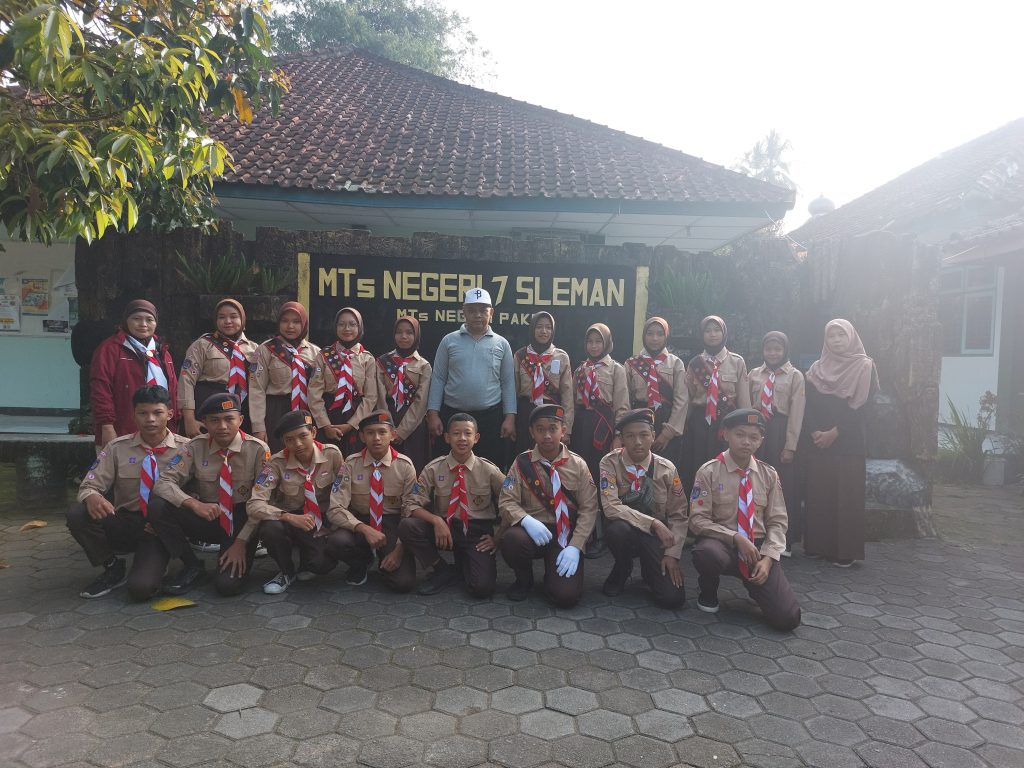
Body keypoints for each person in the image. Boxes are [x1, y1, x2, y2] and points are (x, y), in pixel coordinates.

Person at [66, 385, 188, 600]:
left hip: (161, 526)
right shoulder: (117, 448)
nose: (150, 419)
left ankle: (157, 561)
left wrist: (171, 520)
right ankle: (112, 566)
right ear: (133, 415)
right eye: (143, 413)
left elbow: (197, 493)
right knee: (78, 513)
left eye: (157, 412)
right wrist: (92, 496)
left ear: (169, 414)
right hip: (126, 521)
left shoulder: (187, 449)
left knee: (141, 588)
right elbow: (89, 485)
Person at [688, 408, 801, 631]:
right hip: (723, 544)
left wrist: (769, 558)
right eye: (740, 434)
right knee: (706, 553)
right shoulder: (709, 471)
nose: (746, 442)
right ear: (725, 434)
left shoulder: (769, 474)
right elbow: (697, 520)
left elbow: (778, 521)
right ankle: (708, 589)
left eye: (753, 437)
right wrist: (736, 538)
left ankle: (757, 588)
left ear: (761, 441)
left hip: (757, 551)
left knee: (788, 618)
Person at [148, 393, 270, 596]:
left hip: (240, 520)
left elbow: (262, 501)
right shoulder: (194, 447)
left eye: (229, 419)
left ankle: (239, 552)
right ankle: (192, 565)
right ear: (204, 422)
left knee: (227, 586)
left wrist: (241, 543)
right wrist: (193, 504)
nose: (222, 426)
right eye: (214, 420)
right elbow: (163, 483)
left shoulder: (258, 449)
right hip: (207, 514)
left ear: (240, 420)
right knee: (158, 506)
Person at [498, 404, 600, 607]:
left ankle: (552, 577)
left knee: (566, 596)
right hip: (532, 532)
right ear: (531, 432)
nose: (546, 435)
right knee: (512, 539)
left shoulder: (578, 465)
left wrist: (576, 546)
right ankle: (524, 579)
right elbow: (506, 500)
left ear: (563, 431)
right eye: (540, 429)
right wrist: (525, 520)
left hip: (565, 534)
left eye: (553, 429)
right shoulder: (521, 463)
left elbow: (589, 509)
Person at [799, 319, 878, 567]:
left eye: (841, 335)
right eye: (831, 336)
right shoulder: (816, 369)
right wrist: (815, 431)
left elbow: (863, 408)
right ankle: (817, 546)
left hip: (848, 442)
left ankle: (844, 551)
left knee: (846, 497)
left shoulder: (864, 366)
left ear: (851, 337)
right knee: (819, 494)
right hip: (818, 442)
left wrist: (835, 432)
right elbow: (807, 404)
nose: (836, 340)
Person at [399, 413, 505, 597]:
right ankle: (442, 569)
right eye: (456, 433)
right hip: (444, 530)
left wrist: (498, 537)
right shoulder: (433, 468)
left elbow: (511, 501)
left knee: (482, 588)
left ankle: (463, 566)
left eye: (467, 433)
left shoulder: (489, 470)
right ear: (447, 437)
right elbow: (410, 504)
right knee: (408, 526)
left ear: (476, 437)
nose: (462, 438)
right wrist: (436, 521)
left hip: (476, 532)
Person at [247, 410, 344, 594]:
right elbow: (254, 504)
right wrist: (288, 517)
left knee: (321, 565)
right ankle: (286, 572)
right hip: (291, 519)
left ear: (313, 432)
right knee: (270, 529)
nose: (297, 444)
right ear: (284, 442)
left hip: (321, 519)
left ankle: (308, 559)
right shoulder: (276, 463)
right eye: (289, 439)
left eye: (303, 436)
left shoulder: (332, 454)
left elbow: (344, 493)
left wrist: (335, 526)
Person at [599, 409, 688, 608]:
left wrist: (672, 554)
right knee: (617, 530)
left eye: (644, 435)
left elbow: (679, 515)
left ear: (653, 436)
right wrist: (654, 523)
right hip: (627, 530)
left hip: (654, 537)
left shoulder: (667, 469)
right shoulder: (609, 462)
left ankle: (650, 570)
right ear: (622, 439)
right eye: (630, 436)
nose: (637, 442)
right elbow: (611, 507)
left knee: (672, 598)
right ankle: (623, 568)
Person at [325, 411, 417, 592]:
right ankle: (361, 562)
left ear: (393, 435)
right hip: (360, 521)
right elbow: (335, 508)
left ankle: (385, 562)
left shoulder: (405, 466)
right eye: (370, 433)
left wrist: (399, 551)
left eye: (382, 432)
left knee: (403, 583)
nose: (376, 438)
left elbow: (411, 511)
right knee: (337, 542)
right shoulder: (350, 464)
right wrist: (364, 528)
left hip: (391, 524)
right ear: (362, 437)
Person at [426, 288, 517, 468]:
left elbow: (507, 382)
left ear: (491, 313)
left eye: (483, 310)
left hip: (490, 418)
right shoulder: (449, 341)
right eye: (472, 310)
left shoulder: (502, 344)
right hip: (453, 415)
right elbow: (438, 378)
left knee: (489, 467)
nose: (478, 315)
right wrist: (433, 414)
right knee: (451, 467)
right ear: (464, 312)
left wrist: (510, 417)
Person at [90, 299, 178, 448]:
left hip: (162, 433)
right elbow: (101, 389)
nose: (143, 324)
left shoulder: (161, 351)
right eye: (136, 319)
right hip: (122, 430)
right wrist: (107, 425)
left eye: (149, 319)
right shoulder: (110, 349)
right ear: (126, 321)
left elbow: (174, 390)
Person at [748, 331, 805, 555]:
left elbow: (797, 413)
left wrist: (790, 446)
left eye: (777, 349)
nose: (773, 353)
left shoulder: (795, 376)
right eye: (768, 349)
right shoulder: (754, 374)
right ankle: (756, 534)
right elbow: (747, 407)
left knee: (783, 486)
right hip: (758, 431)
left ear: (785, 350)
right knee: (756, 482)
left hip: (781, 432)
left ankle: (784, 540)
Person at [682, 315, 750, 493]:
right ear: (702, 334)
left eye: (717, 330)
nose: (712, 334)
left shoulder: (737, 362)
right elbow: (688, 398)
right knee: (698, 466)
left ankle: (725, 503)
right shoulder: (695, 363)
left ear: (724, 333)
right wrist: (683, 426)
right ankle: (698, 503)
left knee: (726, 466)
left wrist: (745, 429)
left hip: (727, 423)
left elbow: (744, 400)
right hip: (699, 422)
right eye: (708, 331)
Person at [178, 298, 258, 437]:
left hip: (242, 411)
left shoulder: (255, 348)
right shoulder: (202, 345)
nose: (227, 321)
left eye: (233, 316)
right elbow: (186, 381)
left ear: (242, 319)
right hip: (209, 410)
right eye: (222, 317)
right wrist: (189, 419)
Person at [308, 307, 381, 457]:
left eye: (352, 324)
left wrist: (351, 424)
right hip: (328, 415)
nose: (347, 329)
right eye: (341, 324)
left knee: (355, 461)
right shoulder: (324, 355)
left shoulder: (367, 359)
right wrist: (325, 425)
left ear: (359, 327)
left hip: (357, 418)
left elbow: (371, 397)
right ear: (335, 327)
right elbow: (314, 393)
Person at [250, 302, 320, 453]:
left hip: (307, 412)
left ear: (304, 324)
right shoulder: (265, 350)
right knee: (277, 456)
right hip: (276, 411)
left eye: (296, 322)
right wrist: (258, 427)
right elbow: (257, 389)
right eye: (285, 321)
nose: (290, 326)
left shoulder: (316, 353)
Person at [625, 317, 689, 471]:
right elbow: (625, 399)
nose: (655, 338)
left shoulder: (675, 363)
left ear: (666, 336)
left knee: (665, 470)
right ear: (643, 336)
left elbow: (682, 400)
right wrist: (629, 430)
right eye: (650, 333)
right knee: (638, 468)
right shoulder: (631, 363)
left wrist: (668, 433)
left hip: (667, 421)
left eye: (660, 334)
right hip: (639, 420)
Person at [570, 322, 628, 482]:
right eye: (590, 342)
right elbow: (572, 404)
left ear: (607, 342)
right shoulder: (580, 370)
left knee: (602, 469)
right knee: (581, 467)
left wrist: (618, 436)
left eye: (598, 341)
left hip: (604, 426)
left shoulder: (617, 369)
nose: (594, 346)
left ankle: (602, 497)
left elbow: (622, 406)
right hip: (581, 426)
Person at [513, 311, 574, 455]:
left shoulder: (561, 356)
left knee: (550, 456)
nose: (544, 331)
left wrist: (567, 428)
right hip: (526, 413)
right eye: (539, 327)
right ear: (532, 329)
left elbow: (567, 396)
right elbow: (514, 391)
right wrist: (512, 420)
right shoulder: (520, 356)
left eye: (548, 327)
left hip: (551, 414)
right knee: (525, 456)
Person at [376, 316, 432, 472]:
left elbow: (421, 402)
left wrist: (401, 432)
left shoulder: (424, 365)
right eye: (399, 332)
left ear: (416, 335)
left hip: (413, 424)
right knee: (387, 467)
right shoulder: (382, 362)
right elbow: (379, 396)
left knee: (414, 466)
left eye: (409, 333)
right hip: (388, 418)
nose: (404, 336)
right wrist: (387, 426)